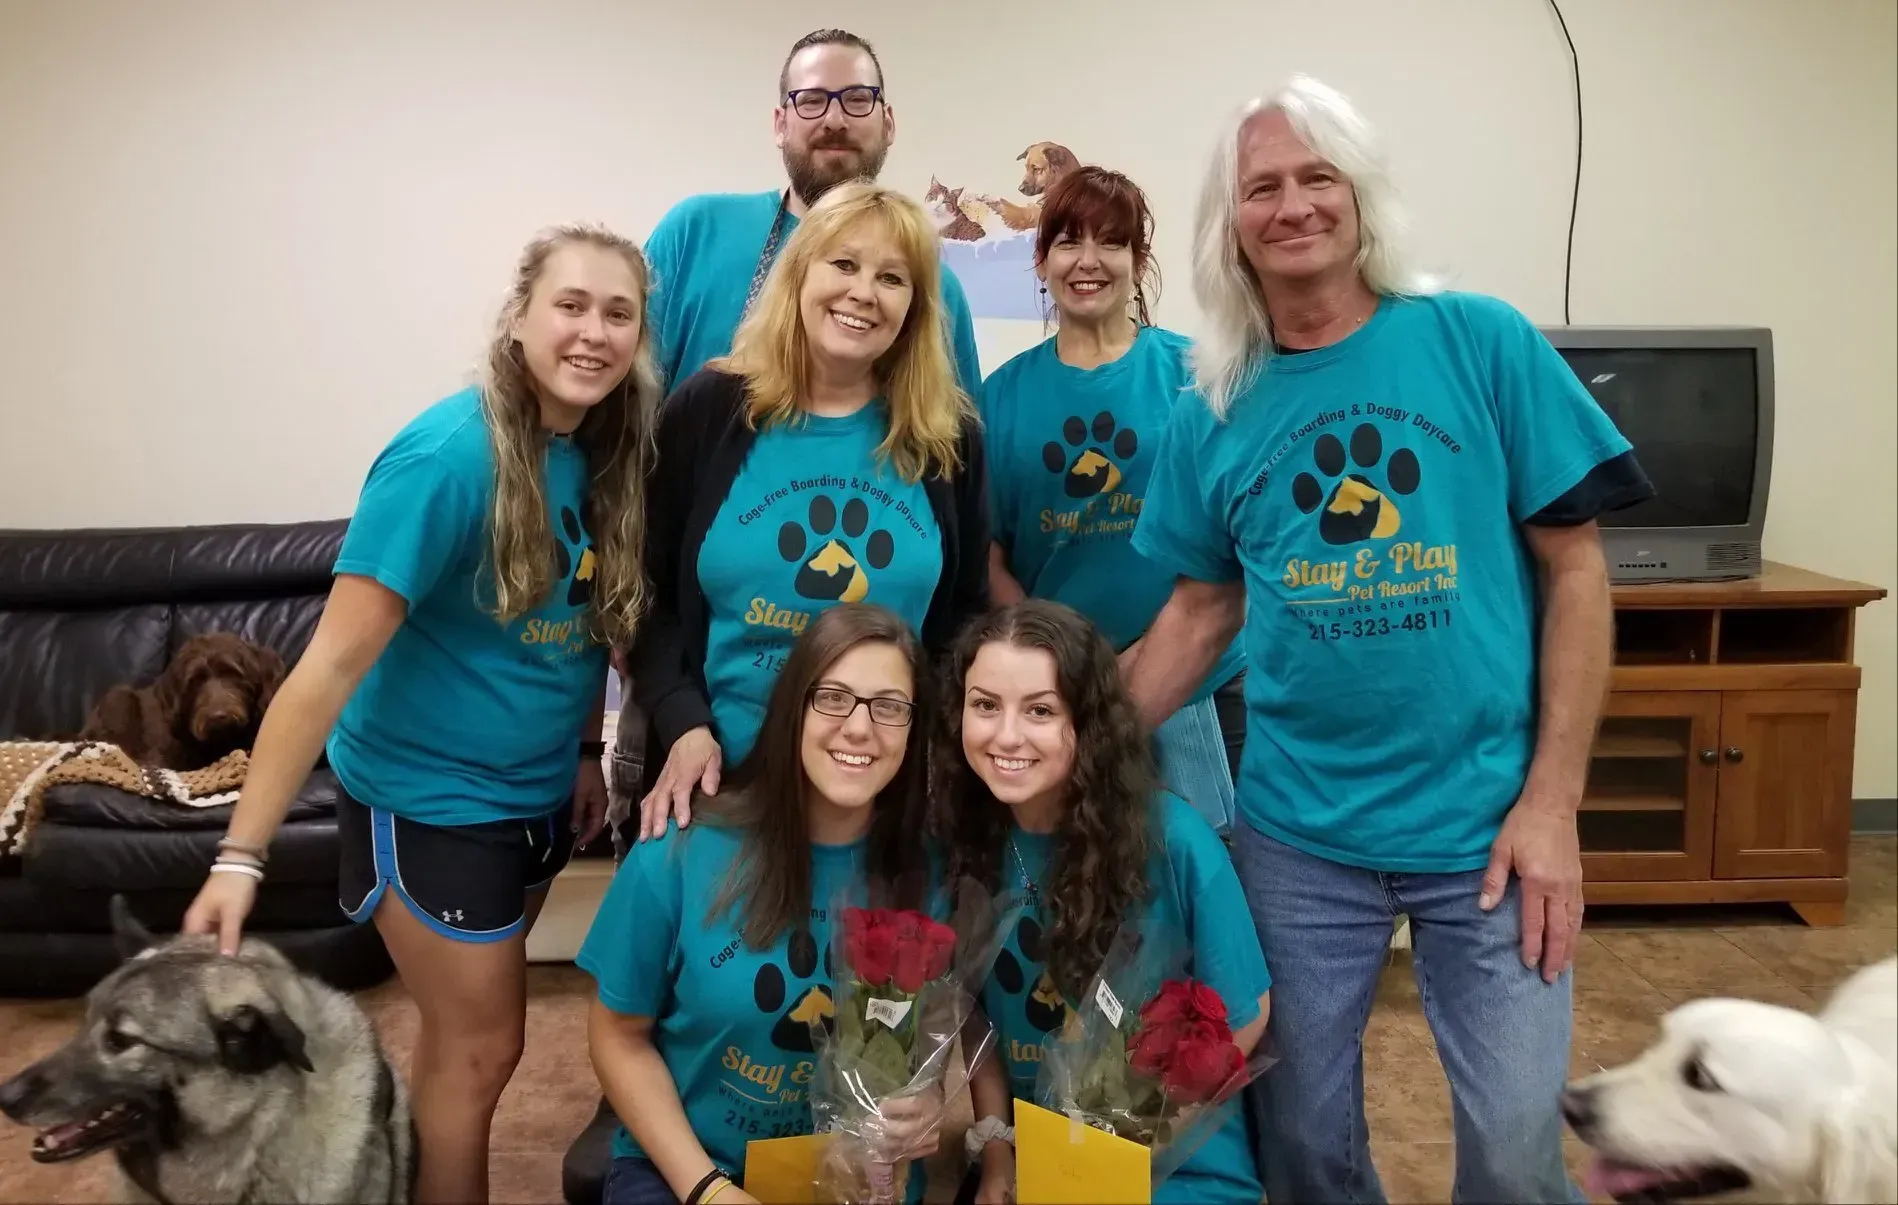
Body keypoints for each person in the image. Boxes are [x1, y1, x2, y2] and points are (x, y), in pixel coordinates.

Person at [1122, 74, 1655, 1204]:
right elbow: (1195, 612)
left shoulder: (1477, 341)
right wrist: (1059, 739)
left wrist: (1553, 801)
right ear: (1232, 225)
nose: (1292, 204)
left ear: (1360, 197)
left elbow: (1575, 570)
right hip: (1297, 835)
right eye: (1260, 186)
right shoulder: (1209, 400)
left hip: (1489, 830)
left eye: (1317, 176)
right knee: (1302, 1148)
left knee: (1515, 1149)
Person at [180, 224, 664, 1204]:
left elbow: (573, 626)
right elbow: (324, 669)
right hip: (430, 797)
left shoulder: (601, 449)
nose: (593, 332)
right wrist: (242, 855)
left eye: (618, 313)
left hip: (528, 798)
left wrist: (581, 753)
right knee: (481, 1051)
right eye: (570, 304)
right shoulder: (446, 458)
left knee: (468, 1044)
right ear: (519, 316)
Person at [629, 180, 990, 841]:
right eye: (844, 264)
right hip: (715, 778)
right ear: (799, 273)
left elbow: (962, 617)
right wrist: (682, 723)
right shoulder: (708, 410)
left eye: (892, 277)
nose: (863, 292)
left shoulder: (947, 438)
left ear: (915, 306)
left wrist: (940, 748)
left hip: (880, 790)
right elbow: (647, 596)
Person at [581, 603, 943, 1205]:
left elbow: (929, 1039)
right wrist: (709, 1191)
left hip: (860, 1179)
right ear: (791, 711)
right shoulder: (679, 853)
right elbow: (617, 1037)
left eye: (889, 707)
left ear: (914, 728)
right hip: (690, 1173)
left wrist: (926, 1104)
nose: (860, 728)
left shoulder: (929, 875)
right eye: (832, 697)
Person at [932, 600, 1271, 1205]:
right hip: (1037, 1161)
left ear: (1088, 722)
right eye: (985, 705)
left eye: (1040, 710)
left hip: (1172, 1166)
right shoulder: (965, 843)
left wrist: (1128, 1149)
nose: (1006, 735)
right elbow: (975, 1019)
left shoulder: (1174, 841)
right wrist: (998, 1159)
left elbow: (1246, 1015)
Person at [976, 165, 1247, 834]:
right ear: (1040, 261)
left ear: (1138, 259)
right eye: (1068, 241)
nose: (1088, 261)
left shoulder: (1199, 377)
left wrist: (1157, 655)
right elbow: (989, 559)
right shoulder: (1000, 396)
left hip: (1204, 686)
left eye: (1112, 242)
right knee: (1092, 887)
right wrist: (1061, 661)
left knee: (1215, 883)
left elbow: (1239, 539)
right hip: (1062, 694)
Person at [641, 27, 984, 402]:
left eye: (857, 99)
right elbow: (618, 407)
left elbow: (954, 445)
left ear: (888, 124)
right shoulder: (694, 233)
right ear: (780, 123)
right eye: (810, 100)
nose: (835, 119)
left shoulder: (933, 284)